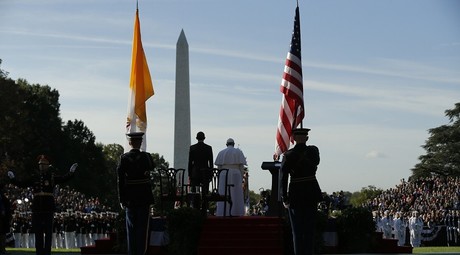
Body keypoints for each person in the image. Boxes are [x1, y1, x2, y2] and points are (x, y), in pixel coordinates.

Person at [7, 154, 77, 255]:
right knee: (38, 231)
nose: (41, 166)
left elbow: (63, 179)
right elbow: (22, 184)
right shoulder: (34, 177)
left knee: (48, 232)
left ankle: (47, 251)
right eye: (40, 164)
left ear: (48, 165)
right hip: (37, 207)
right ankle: (39, 251)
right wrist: (13, 179)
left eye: (43, 164)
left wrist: (71, 172)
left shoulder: (51, 177)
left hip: (48, 207)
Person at [279, 128, 321, 255]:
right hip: (311, 192)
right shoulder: (313, 152)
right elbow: (317, 161)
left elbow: (283, 178)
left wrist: (284, 197)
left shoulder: (288, 155)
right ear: (307, 138)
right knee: (309, 230)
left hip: (296, 194)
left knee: (297, 231)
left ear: (293, 139)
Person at [117, 132, 155, 255]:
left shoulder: (123, 158)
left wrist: (121, 199)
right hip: (144, 197)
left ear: (130, 143)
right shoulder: (146, 157)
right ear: (141, 143)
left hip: (129, 198)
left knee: (131, 229)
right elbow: (152, 167)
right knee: (142, 229)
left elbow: (120, 181)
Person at [214, 138, 247, 216]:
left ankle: (223, 212)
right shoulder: (238, 152)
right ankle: (236, 212)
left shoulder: (221, 152)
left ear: (226, 144)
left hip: (224, 173)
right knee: (236, 192)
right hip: (236, 173)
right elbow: (241, 166)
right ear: (233, 144)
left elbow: (219, 167)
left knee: (223, 192)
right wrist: (241, 176)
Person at [188, 131, 213, 213]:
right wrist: (211, 173)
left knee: (195, 192)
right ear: (204, 138)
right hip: (205, 172)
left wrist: (190, 173)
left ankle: (196, 208)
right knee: (205, 192)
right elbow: (211, 163)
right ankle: (204, 208)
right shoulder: (208, 148)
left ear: (196, 138)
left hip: (195, 173)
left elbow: (190, 162)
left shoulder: (192, 148)